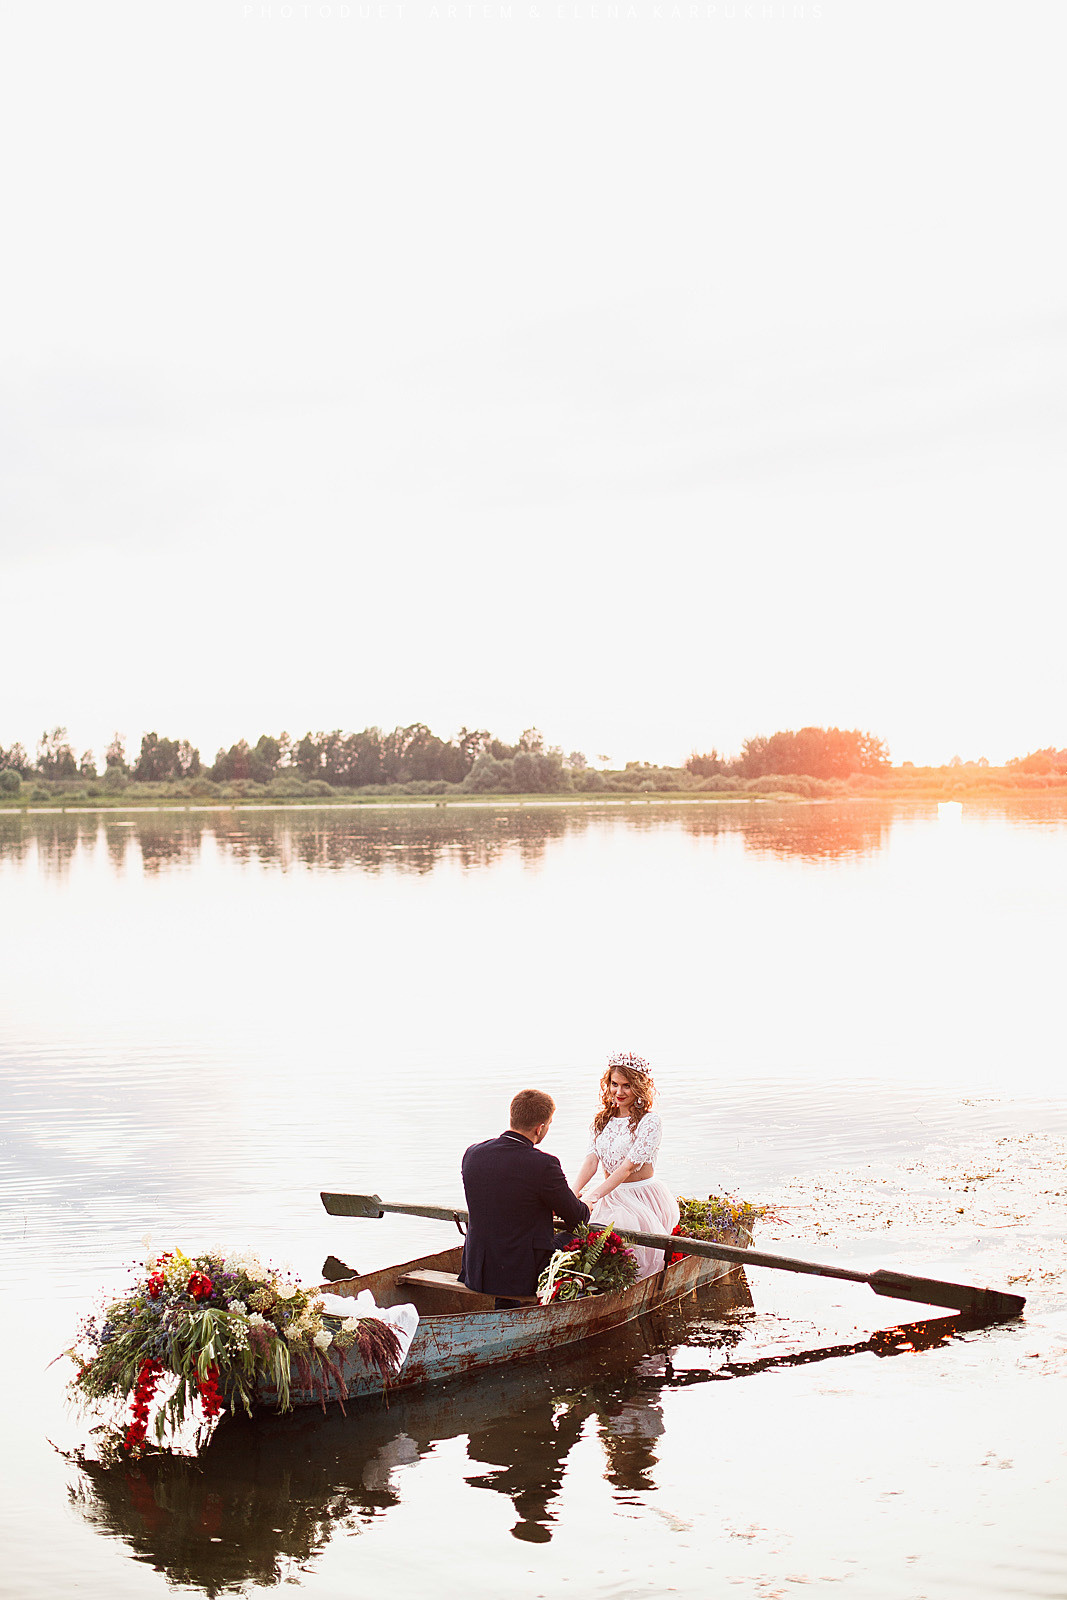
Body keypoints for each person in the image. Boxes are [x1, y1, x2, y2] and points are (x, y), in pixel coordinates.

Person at [459, 1088, 590, 1307]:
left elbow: (506, 1197)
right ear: (540, 1128)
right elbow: (577, 1218)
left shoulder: (473, 1153)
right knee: (584, 1235)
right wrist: (585, 1204)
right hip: (521, 1277)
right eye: (548, 1124)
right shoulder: (544, 1165)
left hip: (477, 1273)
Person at [572, 1051, 679, 1280]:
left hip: (640, 1197)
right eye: (614, 1084)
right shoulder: (602, 1120)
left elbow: (627, 1168)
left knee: (626, 1253)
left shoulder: (649, 1121)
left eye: (627, 1086)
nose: (618, 1092)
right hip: (610, 1193)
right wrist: (571, 1194)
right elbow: (591, 1160)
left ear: (639, 1087)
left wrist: (591, 1196)